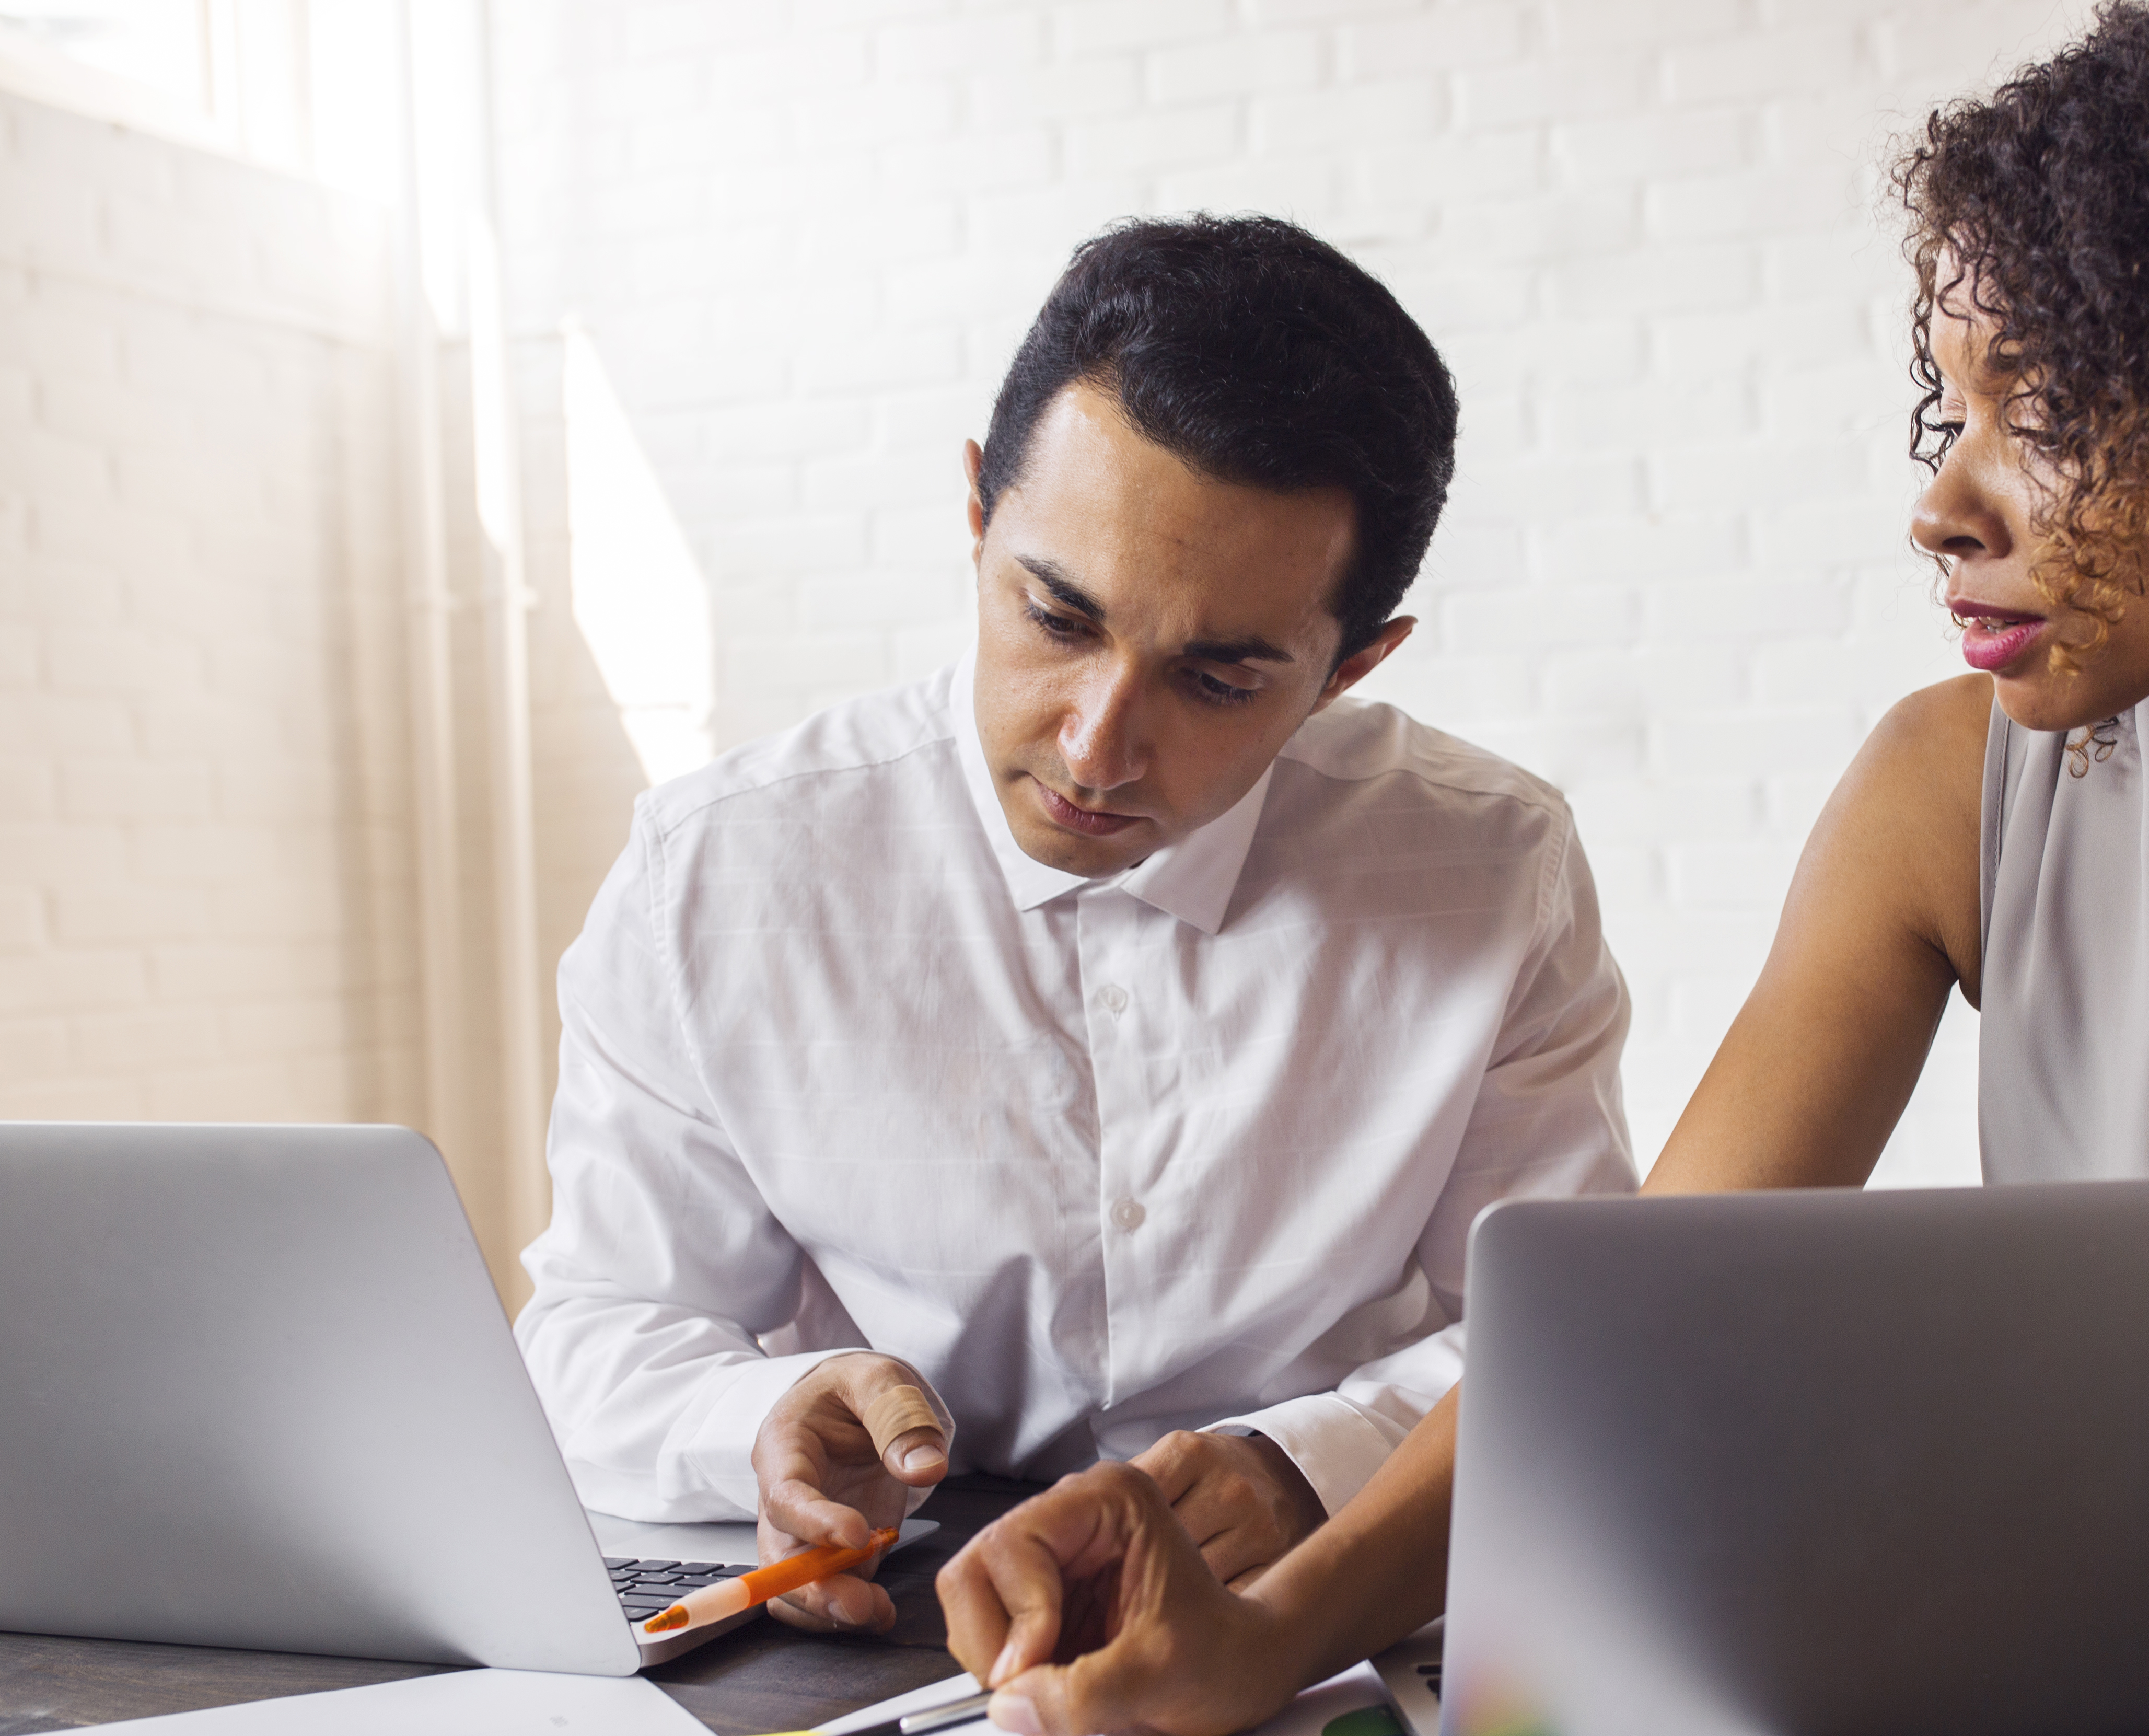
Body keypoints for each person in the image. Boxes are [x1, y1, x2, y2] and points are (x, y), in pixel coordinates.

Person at [927, 0, 2149, 1736]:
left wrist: (1910, 1439)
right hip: (2045, 1711)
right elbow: (1631, 1326)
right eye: (1949, 402)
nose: (1940, 503)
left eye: (2039, 410)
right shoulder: (1944, 781)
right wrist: (1278, 1631)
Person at [515, 215, 1634, 1634]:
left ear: (1352, 666)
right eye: (1055, 617)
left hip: (1320, 1602)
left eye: (1218, 681)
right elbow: (598, 1323)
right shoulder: (716, 873)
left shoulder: (1491, 864)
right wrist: (757, 1416)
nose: (1096, 748)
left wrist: (1309, 1466)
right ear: (979, 518)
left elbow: (1565, 1332)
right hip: (878, 1609)